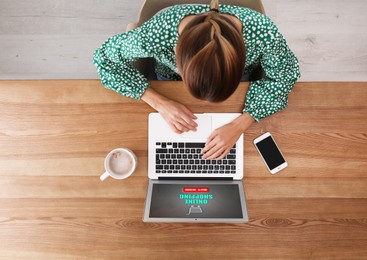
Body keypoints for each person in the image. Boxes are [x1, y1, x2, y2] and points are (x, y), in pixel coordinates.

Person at [93, 0, 300, 160]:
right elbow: (103, 58)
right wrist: (159, 102)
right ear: (175, 51)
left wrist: (240, 125)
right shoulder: (157, 34)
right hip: (168, 80)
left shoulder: (263, 33)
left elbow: (285, 75)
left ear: (243, 54)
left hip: (237, 84)